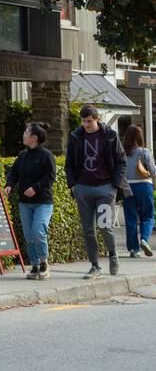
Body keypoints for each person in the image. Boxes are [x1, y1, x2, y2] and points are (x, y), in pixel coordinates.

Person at [65, 104, 131, 278]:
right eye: (83, 121)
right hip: (83, 189)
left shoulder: (109, 136)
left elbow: (121, 161)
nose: (86, 125)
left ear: (97, 119)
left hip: (104, 189)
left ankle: (113, 254)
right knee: (88, 229)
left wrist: (114, 186)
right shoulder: (76, 136)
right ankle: (95, 266)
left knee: (104, 226)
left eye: (89, 121)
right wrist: (73, 185)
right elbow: (69, 163)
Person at [5, 122, 55, 279]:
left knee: (38, 231)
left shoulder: (47, 155)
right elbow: (14, 173)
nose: (23, 135)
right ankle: (34, 265)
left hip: (43, 202)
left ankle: (43, 262)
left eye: (26, 132)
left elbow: (50, 177)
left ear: (34, 138)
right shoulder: (22, 156)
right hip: (24, 202)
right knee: (28, 235)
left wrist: (36, 187)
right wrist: (9, 185)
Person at [121, 124, 154, 258]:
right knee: (147, 216)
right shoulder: (144, 151)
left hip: (127, 187)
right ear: (139, 136)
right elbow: (153, 171)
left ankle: (134, 249)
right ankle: (144, 240)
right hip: (144, 186)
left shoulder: (121, 153)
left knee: (130, 219)